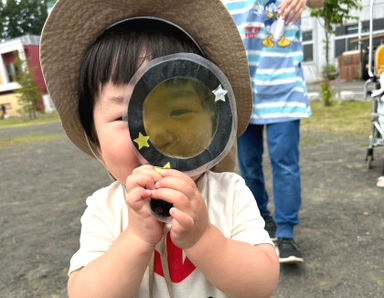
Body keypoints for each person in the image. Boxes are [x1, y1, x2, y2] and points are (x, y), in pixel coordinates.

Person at [40, 0, 280, 297]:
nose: (155, 132)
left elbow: (262, 284)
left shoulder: (229, 195)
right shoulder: (105, 209)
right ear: (96, 142)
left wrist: (203, 237)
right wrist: (136, 239)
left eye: (177, 112)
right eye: (125, 116)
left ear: (214, 124)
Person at [222, 0, 324, 264]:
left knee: (285, 164)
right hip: (243, 93)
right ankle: (261, 221)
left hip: (285, 90)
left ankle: (286, 233)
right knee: (248, 165)